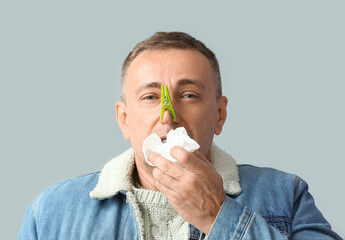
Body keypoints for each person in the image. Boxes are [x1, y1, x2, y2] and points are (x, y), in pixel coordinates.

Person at [18, 32, 342, 240]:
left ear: (219, 114)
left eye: (188, 95)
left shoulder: (287, 196)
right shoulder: (51, 213)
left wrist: (219, 216)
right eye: (149, 97)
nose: (168, 116)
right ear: (124, 119)